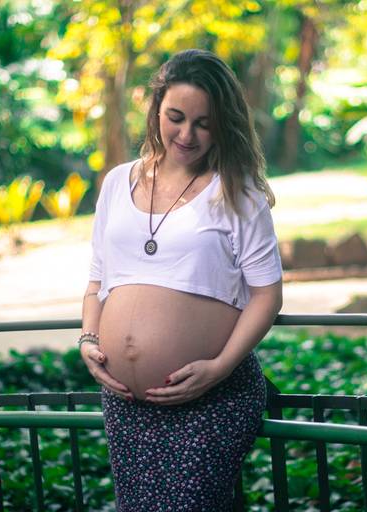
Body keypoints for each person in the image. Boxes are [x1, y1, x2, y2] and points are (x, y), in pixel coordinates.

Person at [78, 48, 283, 511]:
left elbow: (267, 295)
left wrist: (219, 368)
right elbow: (97, 282)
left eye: (202, 123)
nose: (186, 134)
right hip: (128, 403)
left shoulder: (237, 192)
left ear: (222, 124)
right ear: (155, 111)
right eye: (175, 117)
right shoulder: (117, 183)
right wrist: (89, 339)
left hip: (211, 397)